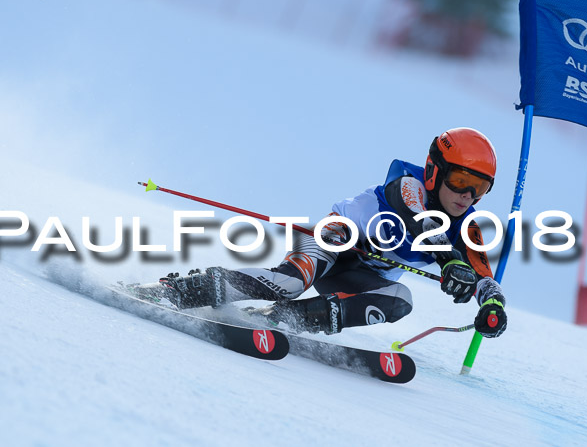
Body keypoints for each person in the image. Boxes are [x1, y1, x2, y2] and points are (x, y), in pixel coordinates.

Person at [159, 128, 507, 338]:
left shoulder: (468, 226)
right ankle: (184, 289)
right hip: (332, 243)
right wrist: (449, 261)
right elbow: (422, 223)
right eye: (461, 181)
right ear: (435, 170)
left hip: (362, 275)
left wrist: (492, 307)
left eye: (480, 187)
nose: (468, 196)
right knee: (291, 283)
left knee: (401, 300)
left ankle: (285, 319)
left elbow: (484, 279)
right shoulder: (409, 185)